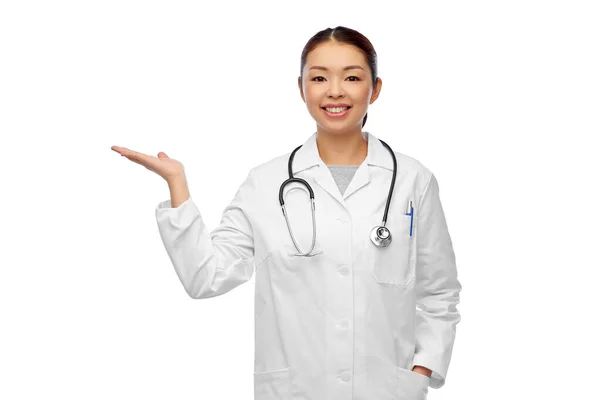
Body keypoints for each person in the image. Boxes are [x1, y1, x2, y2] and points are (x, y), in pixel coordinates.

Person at [111, 25, 461, 400]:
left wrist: (421, 372)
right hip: (296, 390)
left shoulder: (412, 180)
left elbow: (439, 292)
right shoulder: (266, 182)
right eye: (320, 78)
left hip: (386, 391)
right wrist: (177, 184)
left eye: (353, 77)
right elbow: (206, 277)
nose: (335, 91)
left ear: (374, 89)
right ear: (301, 89)